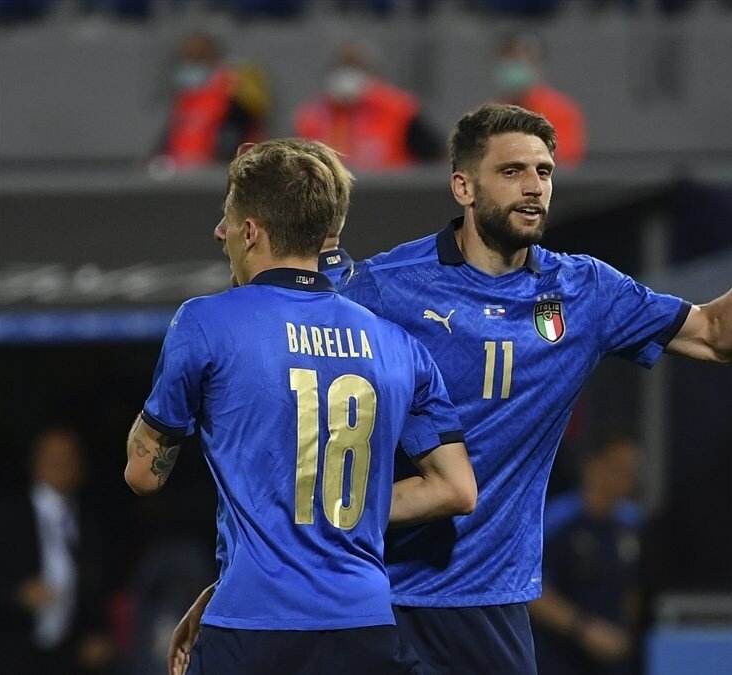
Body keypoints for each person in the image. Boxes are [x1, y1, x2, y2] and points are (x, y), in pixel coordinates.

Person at [176, 103, 732, 673]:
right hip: (368, 599)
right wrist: (235, 581)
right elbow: (288, 427)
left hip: (488, 605)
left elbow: (720, 335)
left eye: (543, 171)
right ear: (463, 186)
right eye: (511, 171)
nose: (534, 186)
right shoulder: (380, 286)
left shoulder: (585, 292)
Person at [125, 139, 476, 675]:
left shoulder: (204, 322)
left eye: (227, 219)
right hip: (364, 629)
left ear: (251, 231)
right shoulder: (397, 344)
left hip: (251, 631)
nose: (220, 232)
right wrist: (335, 513)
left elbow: (143, 475)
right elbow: (456, 488)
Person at [0, 427, 113, 674]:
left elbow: (99, 587)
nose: (59, 464)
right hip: (12, 652)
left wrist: (97, 633)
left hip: (70, 657)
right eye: (51, 457)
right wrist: (17, 594)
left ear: (81, 467)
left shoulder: (90, 524)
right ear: (34, 462)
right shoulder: (7, 518)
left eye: (67, 458)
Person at [531, 437, 645, 675]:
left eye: (631, 470)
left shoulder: (634, 524)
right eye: (617, 467)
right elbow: (534, 593)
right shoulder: (556, 520)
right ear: (592, 466)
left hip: (615, 661)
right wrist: (583, 629)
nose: (626, 477)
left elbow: (636, 589)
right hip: (560, 658)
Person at [294, 43, 442, 170]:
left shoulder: (399, 111)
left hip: (389, 191)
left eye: (354, 67)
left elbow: (437, 157)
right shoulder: (310, 118)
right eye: (341, 66)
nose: (346, 75)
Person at [158, 32, 268, 169]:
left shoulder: (232, 88)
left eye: (198, 57)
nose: (192, 64)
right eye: (188, 58)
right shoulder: (184, 98)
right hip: (180, 169)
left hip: (219, 170)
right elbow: (172, 135)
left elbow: (241, 129)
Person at [494, 34, 586, 166]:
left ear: (537, 65)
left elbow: (565, 161)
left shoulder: (561, 111)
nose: (513, 67)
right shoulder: (487, 114)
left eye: (520, 60)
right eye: (508, 60)